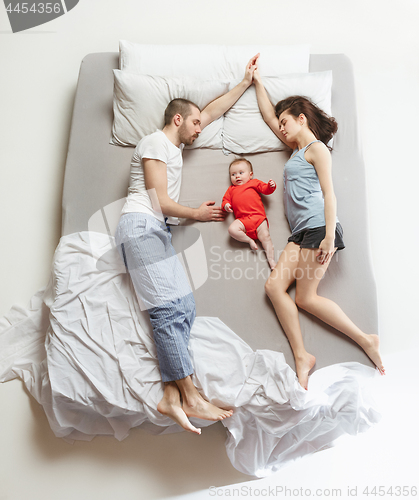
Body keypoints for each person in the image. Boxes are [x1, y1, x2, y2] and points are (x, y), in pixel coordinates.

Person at [114, 54, 260, 434]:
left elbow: (209, 111)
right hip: (140, 225)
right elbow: (158, 201)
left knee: (183, 303)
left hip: (155, 231)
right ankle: (190, 394)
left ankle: (170, 394)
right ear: (177, 119)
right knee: (167, 308)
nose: (201, 129)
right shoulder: (154, 143)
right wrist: (195, 214)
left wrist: (244, 83)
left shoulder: (176, 143)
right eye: (195, 123)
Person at [252, 63, 385, 390]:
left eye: (286, 123)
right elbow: (270, 116)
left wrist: (328, 237)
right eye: (280, 125)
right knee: (273, 288)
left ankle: (366, 340)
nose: (280, 129)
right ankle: (302, 356)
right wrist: (255, 80)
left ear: (301, 119)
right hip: (300, 233)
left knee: (305, 298)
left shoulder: (316, 150)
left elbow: (329, 195)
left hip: (317, 229)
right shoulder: (296, 150)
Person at [222, 158, 277, 269]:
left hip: (258, 218)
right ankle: (249, 240)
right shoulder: (231, 190)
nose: (237, 176)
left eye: (241, 173)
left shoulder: (254, 183)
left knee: (266, 236)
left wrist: (271, 186)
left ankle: (271, 260)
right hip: (243, 221)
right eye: (233, 174)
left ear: (250, 175)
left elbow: (265, 189)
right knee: (231, 229)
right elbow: (225, 200)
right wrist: (226, 206)